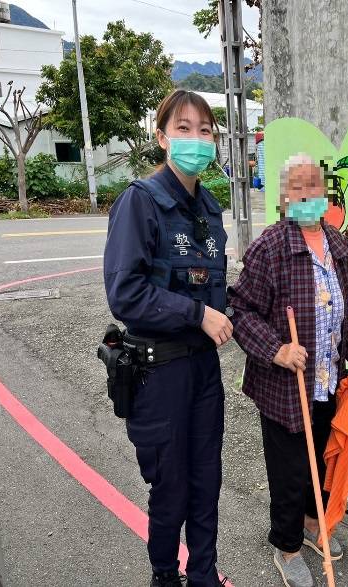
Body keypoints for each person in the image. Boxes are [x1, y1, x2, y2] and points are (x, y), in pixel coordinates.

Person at [103, 90, 233, 587]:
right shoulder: (140, 202)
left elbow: (216, 290)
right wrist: (197, 314)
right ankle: (164, 575)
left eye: (205, 130)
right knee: (171, 488)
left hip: (203, 371)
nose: (196, 138)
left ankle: (204, 574)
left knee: (206, 482)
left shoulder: (209, 210)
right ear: (162, 138)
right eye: (183, 128)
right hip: (159, 373)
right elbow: (125, 293)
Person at [227, 155, 348, 587]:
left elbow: (345, 316)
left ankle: (311, 523)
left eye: (314, 186)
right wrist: (277, 349)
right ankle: (286, 545)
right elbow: (240, 310)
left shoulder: (338, 246)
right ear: (285, 198)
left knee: (320, 461)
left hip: (326, 380)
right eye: (298, 188)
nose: (308, 195)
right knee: (289, 471)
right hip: (284, 387)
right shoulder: (271, 247)